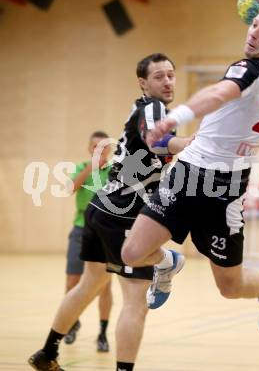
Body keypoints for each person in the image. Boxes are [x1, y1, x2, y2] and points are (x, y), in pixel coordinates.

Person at [122, 0, 259, 337]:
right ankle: (167, 263)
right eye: (254, 24)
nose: (253, 32)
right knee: (132, 252)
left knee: (230, 286)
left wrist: (177, 116)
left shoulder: (249, 70)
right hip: (188, 171)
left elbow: (218, 93)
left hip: (225, 188)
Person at [28, 53, 193, 371]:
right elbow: (156, 141)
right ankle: (167, 262)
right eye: (159, 76)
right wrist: (191, 142)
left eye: (171, 75)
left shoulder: (144, 108)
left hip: (101, 206)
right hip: (125, 214)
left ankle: (47, 353)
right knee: (135, 303)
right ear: (144, 83)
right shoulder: (153, 107)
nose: (168, 81)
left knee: (88, 285)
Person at [64, 131, 112, 352]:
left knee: (104, 285)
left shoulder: (114, 171)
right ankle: (72, 323)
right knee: (72, 282)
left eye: (103, 147)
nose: (99, 151)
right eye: (95, 147)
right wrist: (90, 168)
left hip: (105, 233)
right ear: (89, 149)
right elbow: (70, 188)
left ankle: (102, 332)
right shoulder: (82, 167)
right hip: (81, 229)